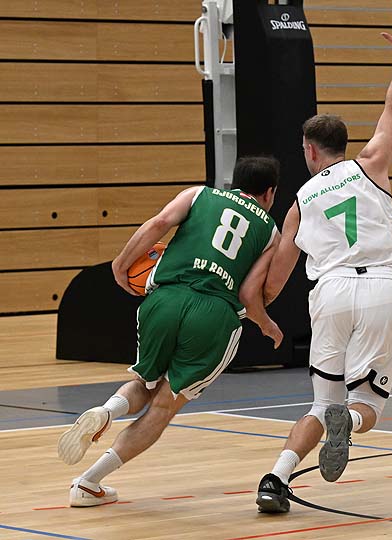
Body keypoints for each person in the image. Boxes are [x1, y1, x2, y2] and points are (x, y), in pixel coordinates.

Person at [251, 5, 392, 513]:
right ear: (342, 146)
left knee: (321, 403)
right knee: (365, 404)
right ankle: (351, 420)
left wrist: (254, 305)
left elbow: (275, 280)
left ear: (309, 150)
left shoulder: (299, 203)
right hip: (382, 287)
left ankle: (275, 479)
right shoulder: (372, 164)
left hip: (330, 293)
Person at [57, 156, 283, 507]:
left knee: (144, 383)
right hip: (213, 314)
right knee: (163, 406)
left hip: (164, 297)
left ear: (232, 182)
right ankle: (88, 482)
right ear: (270, 193)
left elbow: (159, 223)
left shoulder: (199, 194)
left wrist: (120, 265)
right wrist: (267, 325)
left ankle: (107, 411)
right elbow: (249, 294)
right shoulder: (270, 231)